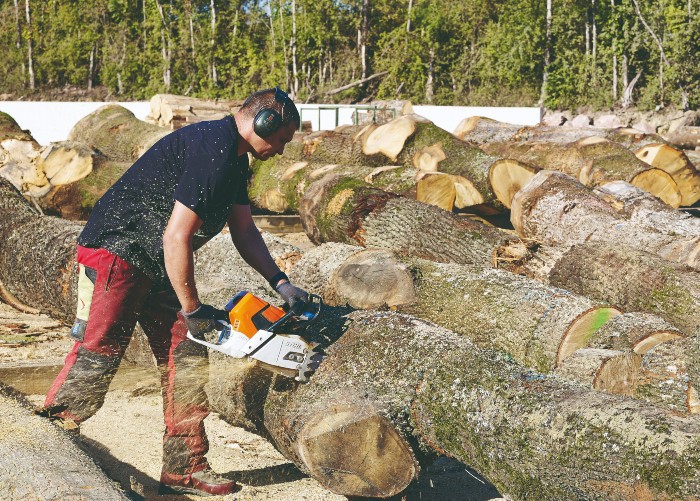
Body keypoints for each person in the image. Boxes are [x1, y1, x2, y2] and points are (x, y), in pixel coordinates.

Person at [41, 87, 308, 496]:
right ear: (263, 122)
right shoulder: (214, 150)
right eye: (282, 140)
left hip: (152, 259)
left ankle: (185, 465)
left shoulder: (236, 161)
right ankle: (44, 454)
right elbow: (176, 236)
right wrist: (192, 307)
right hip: (117, 251)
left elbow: (244, 230)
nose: (282, 150)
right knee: (98, 354)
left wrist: (280, 282)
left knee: (186, 354)